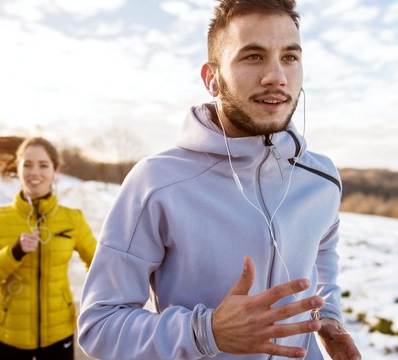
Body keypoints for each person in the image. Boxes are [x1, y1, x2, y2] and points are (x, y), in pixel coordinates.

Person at [78, 0, 361, 359]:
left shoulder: (321, 178)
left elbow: (323, 248)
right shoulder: (157, 183)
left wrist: (328, 314)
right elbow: (99, 325)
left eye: (290, 57)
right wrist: (206, 333)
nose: (277, 76)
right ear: (212, 77)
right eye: (253, 56)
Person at [0, 136, 97, 359]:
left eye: (44, 165)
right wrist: (13, 253)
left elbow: (99, 267)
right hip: (9, 338)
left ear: (56, 171)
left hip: (59, 334)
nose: (35, 172)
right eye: (27, 164)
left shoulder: (73, 219)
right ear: (18, 167)